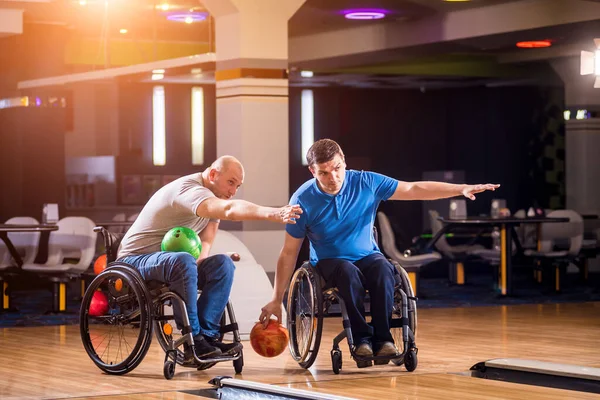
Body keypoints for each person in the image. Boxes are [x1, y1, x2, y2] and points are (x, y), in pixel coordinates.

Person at [259, 139, 499, 367]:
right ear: (313, 172)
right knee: (347, 271)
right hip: (329, 262)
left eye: (337, 169)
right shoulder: (302, 200)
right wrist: (276, 298)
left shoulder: (366, 183)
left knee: (384, 268)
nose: (333, 177)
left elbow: (414, 188)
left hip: (367, 255)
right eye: (324, 173)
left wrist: (461, 189)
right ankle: (361, 340)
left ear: (344, 161)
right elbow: (289, 252)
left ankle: (383, 339)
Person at [118, 155, 302, 361]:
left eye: (237, 186)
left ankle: (207, 335)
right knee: (182, 260)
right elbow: (230, 210)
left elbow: (206, 239)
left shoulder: (215, 199)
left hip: (169, 263)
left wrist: (202, 261)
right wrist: (274, 214)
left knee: (223, 264)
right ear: (213, 174)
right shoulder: (190, 190)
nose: (233, 192)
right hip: (134, 261)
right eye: (230, 183)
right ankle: (193, 338)